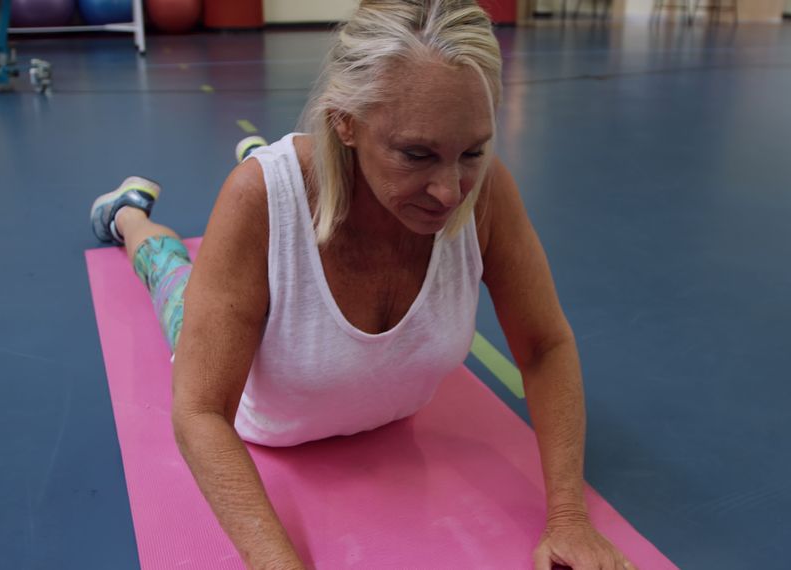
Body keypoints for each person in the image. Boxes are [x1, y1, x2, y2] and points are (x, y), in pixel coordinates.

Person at [89, 1, 633, 568]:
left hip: (322, 190)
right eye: (417, 154)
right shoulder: (255, 203)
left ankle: (286, 155)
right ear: (344, 121)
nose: (450, 192)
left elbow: (545, 346)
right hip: (259, 405)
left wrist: (569, 516)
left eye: (471, 151)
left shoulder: (486, 192)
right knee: (173, 278)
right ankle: (129, 214)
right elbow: (199, 410)